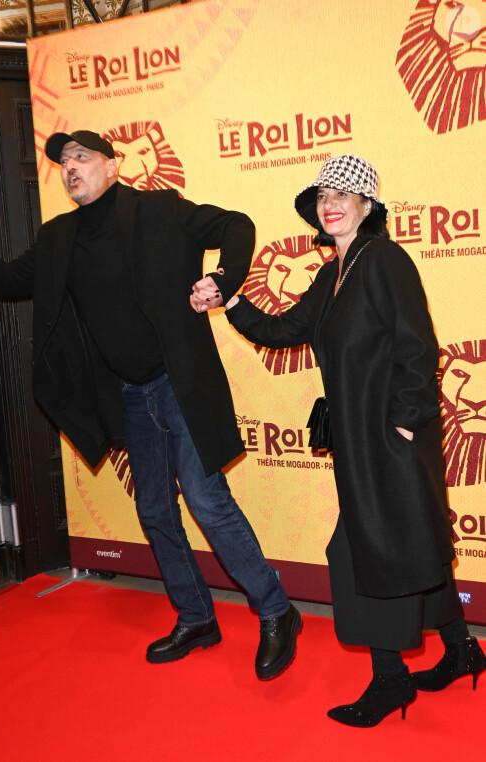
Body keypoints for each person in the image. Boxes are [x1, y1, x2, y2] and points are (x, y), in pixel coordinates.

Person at [0, 129, 301, 680]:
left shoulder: (160, 210)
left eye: (82, 157)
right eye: (63, 163)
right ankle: (196, 617)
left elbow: (236, 226)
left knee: (206, 499)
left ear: (113, 166)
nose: (70, 168)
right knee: (153, 510)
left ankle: (276, 610)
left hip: (180, 383)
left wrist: (222, 278)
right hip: (128, 393)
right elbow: (4, 281)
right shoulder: (58, 239)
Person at [191, 154, 486, 725]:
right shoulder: (334, 273)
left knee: (360, 553)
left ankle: (390, 680)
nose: (331, 203)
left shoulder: (384, 260)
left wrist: (402, 424)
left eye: (344, 194)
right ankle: (461, 649)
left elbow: (419, 348)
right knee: (410, 542)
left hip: (391, 439)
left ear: (367, 205)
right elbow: (283, 332)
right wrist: (230, 301)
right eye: (324, 194)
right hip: (362, 438)